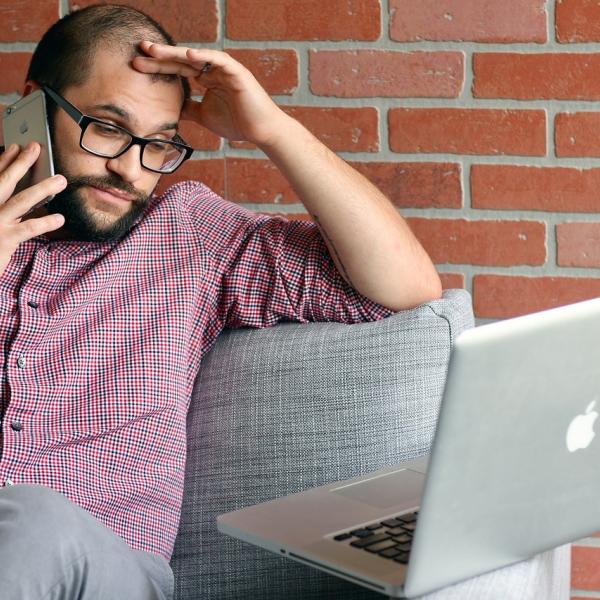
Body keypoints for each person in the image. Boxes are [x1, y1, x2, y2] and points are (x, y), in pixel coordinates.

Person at [0, 4, 441, 599]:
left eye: (158, 145)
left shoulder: (191, 237)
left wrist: (272, 129)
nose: (131, 169)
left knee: (34, 522)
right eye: (106, 128)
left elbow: (405, 284)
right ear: (33, 104)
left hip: (104, 571)